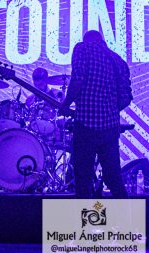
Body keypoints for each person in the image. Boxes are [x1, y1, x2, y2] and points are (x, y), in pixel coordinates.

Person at [60, 30, 132, 198]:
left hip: (85, 126)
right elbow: (126, 98)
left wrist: (66, 103)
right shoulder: (118, 60)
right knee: (114, 178)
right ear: (102, 41)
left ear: (87, 40)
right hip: (110, 128)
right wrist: (109, 110)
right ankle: (127, 214)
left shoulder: (82, 48)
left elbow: (78, 79)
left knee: (83, 179)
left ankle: (86, 215)